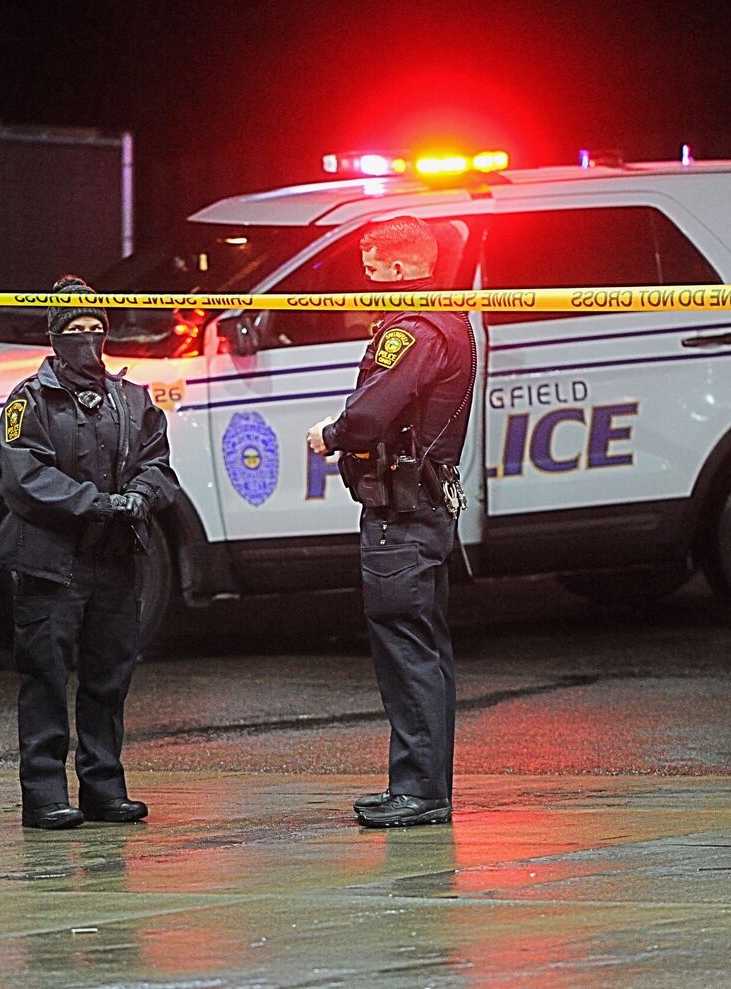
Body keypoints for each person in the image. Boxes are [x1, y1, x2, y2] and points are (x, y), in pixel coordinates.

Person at [307, 216, 477, 828]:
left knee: (406, 651)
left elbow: (373, 412)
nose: (368, 284)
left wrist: (331, 435)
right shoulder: (450, 320)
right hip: (422, 509)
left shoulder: (415, 331)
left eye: (374, 271)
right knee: (422, 650)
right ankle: (417, 783)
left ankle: (421, 792)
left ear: (402, 269)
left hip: (401, 516)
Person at [0, 276, 179, 830]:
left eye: (96, 329)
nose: (87, 340)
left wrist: (140, 497)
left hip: (115, 559)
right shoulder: (30, 400)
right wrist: (95, 503)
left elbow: (159, 464)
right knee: (45, 677)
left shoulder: (132, 398)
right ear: (54, 337)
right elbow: (24, 477)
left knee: (109, 676)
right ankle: (44, 793)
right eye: (74, 331)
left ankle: (104, 787)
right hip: (50, 560)